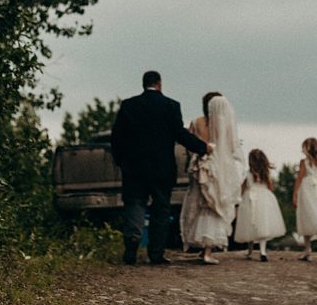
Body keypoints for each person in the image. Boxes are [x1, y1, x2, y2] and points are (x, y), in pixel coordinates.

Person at [110, 70, 211, 265]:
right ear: (159, 84)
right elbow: (180, 134)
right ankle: (155, 254)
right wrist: (202, 147)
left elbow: (117, 137)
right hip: (161, 168)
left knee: (135, 205)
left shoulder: (129, 106)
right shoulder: (171, 106)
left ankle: (132, 245)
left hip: (134, 168)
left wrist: (121, 161)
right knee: (161, 209)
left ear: (143, 84)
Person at [179, 92, 244, 264]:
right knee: (214, 204)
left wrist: (192, 164)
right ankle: (207, 251)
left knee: (199, 204)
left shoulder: (196, 122)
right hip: (218, 168)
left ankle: (202, 248)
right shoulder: (225, 124)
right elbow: (231, 148)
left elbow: (189, 147)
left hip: (200, 166)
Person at [234, 148, 286, 262]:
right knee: (263, 224)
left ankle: (250, 251)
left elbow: (242, 189)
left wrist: (240, 199)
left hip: (250, 199)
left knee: (250, 224)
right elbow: (271, 187)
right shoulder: (266, 173)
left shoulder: (247, 174)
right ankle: (263, 251)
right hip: (264, 198)